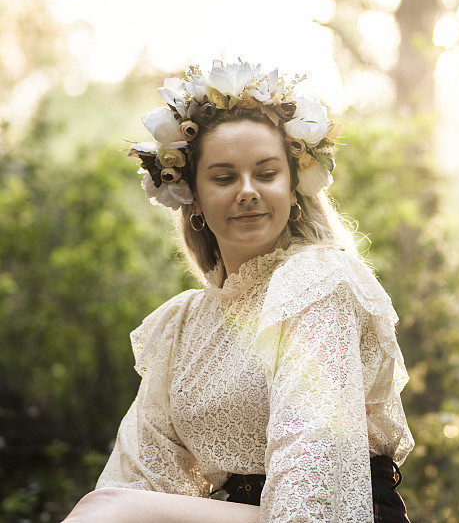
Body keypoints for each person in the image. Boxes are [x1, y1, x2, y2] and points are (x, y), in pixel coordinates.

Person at [63, 59, 414, 522]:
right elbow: (139, 473)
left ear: (293, 190)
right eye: (224, 178)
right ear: (195, 201)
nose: (247, 191)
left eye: (266, 173)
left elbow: (312, 453)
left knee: (110, 509)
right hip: (242, 514)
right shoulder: (182, 324)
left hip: (321, 509)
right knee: (108, 504)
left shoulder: (317, 280)